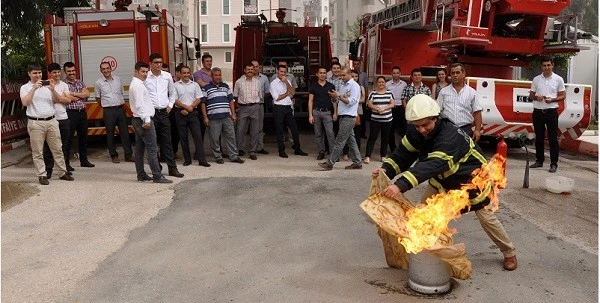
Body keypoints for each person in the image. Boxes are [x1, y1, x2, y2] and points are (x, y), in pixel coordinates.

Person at [373, 94, 517, 271]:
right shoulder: (416, 131)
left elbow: (433, 164)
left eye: (426, 125)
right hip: (442, 179)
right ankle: (423, 249)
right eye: (417, 126)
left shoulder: (450, 135)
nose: (421, 130)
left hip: (472, 180)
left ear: (435, 118)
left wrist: (400, 185)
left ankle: (509, 252)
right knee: (422, 214)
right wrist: (386, 169)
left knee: (487, 218)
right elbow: (403, 154)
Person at [20, 63, 74, 185]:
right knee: (38, 151)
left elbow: (57, 100)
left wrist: (53, 89)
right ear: (29, 74)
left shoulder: (47, 85)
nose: (38, 75)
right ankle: (42, 175)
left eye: (39, 73)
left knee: (58, 148)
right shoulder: (25, 87)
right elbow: (25, 102)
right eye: (35, 73)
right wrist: (34, 88)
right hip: (36, 122)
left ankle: (62, 172)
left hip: (52, 120)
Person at [129, 61, 172, 183]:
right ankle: (157, 175)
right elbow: (139, 104)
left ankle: (141, 174)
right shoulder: (137, 85)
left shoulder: (138, 83)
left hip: (139, 119)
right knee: (152, 149)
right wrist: (147, 119)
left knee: (140, 149)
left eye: (146, 72)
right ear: (136, 72)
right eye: (142, 71)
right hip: (144, 119)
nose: (145, 74)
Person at [145, 53, 184, 178]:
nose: (158, 65)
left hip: (164, 113)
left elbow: (172, 93)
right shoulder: (146, 77)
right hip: (151, 113)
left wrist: (171, 105)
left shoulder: (167, 76)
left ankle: (172, 168)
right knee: (153, 142)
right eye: (156, 62)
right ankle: (157, 167)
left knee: (167, 142)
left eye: (160, 62)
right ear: (150, 64)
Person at [318, 67, 362, 170]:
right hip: (344, 115)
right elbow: (338, 101)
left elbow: (351, 101)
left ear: (350, 74)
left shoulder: (354, 86)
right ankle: (357, 161)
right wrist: (334, 97)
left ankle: (330, 162)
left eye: (343, 75)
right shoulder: (343, 85)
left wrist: (338, 96)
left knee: (340, 140)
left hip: (349, 116)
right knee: (351, 141)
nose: (341, 77)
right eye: (341, 75)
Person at [529, 56, 565, 173]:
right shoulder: (536, 79)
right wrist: (536, 97)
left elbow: (563, 95)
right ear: (541, 67)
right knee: (539, 138)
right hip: (538, 111)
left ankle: (553, 164)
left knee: (552, 139)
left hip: (551, 112)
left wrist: (553, 100)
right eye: (544, 65)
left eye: (548, 65)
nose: (546, 67)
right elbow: (531, 95)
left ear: (552, 65)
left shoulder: (558, 79)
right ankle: (539, 161)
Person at [200, 67, 245, 164]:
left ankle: (233, 156)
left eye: (219, 75)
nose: (218, 77)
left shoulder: (226, 87)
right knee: (214, 138)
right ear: (212, 76)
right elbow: (203, 103)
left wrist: (233, 114)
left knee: (231, 137)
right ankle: (218, 156)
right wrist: (205, 117)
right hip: (213, 118)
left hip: (226, 117)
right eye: (216, 75)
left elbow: (230, 101)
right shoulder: (206, 88)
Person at [94, 61, 134, 164]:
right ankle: (114, 155)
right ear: (101, 71)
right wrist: (106, 106)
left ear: (111, 68)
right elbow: (98, 98)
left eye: (107, 68)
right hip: (109, 110)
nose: (106, 70)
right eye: (103, 69)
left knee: (125, 132)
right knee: (110, 134)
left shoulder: (118, 79)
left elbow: (121, 93)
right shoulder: (98, 83)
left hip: (120, 109)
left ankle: (128, 155)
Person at [173, 65, 211, 167]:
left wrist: (191, 107)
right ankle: (187, 160)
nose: (186, 75)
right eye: (184, 73)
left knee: (198, 136)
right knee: (183, 137)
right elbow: (174, 100)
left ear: (190, 74)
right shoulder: (175, 85)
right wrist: (185, 107)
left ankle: (202, 160)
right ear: (180, 74)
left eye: (187, 73)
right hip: (180, 113)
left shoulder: (195, 85)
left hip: (193, 113)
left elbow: (199, 98)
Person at [436, 63, 482, 142]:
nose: (455, 75)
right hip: (447, 129)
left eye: (458, 72)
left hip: (465, 129)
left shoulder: (472, 92)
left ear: (463, 74)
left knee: (464, 153)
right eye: (453, 73)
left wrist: (477, 130)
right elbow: (437, 111)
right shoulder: (443, 92)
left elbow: (477, 112)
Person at [270, 65, 308, 158]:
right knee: (280, 130)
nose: (283, 73)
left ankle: (297, 149)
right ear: (277, 72)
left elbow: (293, 93)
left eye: (284, 72)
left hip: (288, 107)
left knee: (294, 129)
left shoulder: (288, 81)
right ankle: (281, 150)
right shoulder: (273, 83)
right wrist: (287, 93)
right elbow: (277, 98)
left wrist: (287, 83)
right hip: (278, 107)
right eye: (281, 71)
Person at [42, 63, 72, 179]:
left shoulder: (64, 85)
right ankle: (48, 171)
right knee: (48, 148)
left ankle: (63, 171)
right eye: (54, 72)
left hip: (63, 118)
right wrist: (60, 98)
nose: (57, 74)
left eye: (59, 72)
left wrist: (58, 98)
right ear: (49, 73)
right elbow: (48, 101)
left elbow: (68, 100)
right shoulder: (44, 85)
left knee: (63, 147)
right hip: (50, 120)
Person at [64, 62, 95, 169]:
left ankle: (84, 160)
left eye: (73, 71)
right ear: (65, 72)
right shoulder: (64, 85)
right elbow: (68, 99)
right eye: (69, 71)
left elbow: (87, 94)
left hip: (82, 113)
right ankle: (66, 163)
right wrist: (79, 95)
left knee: (84, 138)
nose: (71, 73)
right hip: (70, 114)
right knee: (68, 139)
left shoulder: (80, 82)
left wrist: (73, 94)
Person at [233, 63, 262, 160]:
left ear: (254, 70)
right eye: (248, 69)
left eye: (251, 69)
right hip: (243, 108)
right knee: (240, 130)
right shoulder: (238, 82)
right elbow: (235, 96)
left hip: (255, 107)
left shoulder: (257, 82)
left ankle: (252, 151)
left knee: (255, 131)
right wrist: (239, 107)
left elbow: (259, 95)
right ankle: (238, 150)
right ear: (244, 70)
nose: (250, 71)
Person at [308, 66, 337, 160]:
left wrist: (335, 113)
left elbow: (334, 100)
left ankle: (333, 153)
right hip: (316, 112)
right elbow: (310, 101)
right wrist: (310, 115)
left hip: (327, 112)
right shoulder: (313, 86)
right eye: (320, 73)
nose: (322, 75)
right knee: (318, 134)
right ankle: (321, 152)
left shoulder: (330, 86)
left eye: (324, 73)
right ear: (317, 74)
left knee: (330, 133)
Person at [364, 76, 395, 164]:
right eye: (379, 82)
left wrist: (384, 108)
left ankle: (383, 156)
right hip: (375, 119)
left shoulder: (389, 93)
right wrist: (377, 109)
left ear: (385, 83)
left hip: (387, 119)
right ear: (376, 83)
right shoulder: (372, 93)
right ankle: (367, 156)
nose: (381, 84)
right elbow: (369, 104)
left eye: (382, 82)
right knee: (372, 137)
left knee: (385, 138)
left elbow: (392, 104)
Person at [386, 66, 407, 152]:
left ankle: (404, 147)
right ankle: (392, 148)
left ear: (400, 74)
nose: (396, 75)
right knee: (391, 129)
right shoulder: (387, 84)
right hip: (391, 108)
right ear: (391, 74)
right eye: (394, 73)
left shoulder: (404, 84)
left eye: (397, 73)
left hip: (401, 108)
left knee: (404, 129)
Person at [251, 59, 270, 155]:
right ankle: (246, 148)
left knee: (259, 127)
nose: (255, 68)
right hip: (248, 105)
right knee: (246, 127)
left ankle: (259, 147)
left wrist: (260, 97)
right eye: (253, 66)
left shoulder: (264, 78)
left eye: (257, 66)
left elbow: (267, 92)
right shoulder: (244, 78)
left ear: (259, 67)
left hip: (259, 105)